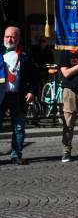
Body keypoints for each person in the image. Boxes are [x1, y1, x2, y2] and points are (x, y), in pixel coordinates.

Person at [1, 26, 37, 165]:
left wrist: (32, 92)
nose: (10, 39)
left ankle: (16, 155)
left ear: (18, 38)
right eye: (7, 36)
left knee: (18, 127)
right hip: (1, 96)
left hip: (18, 96)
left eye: (13, 36)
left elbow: (34, 77)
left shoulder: (25, 56)